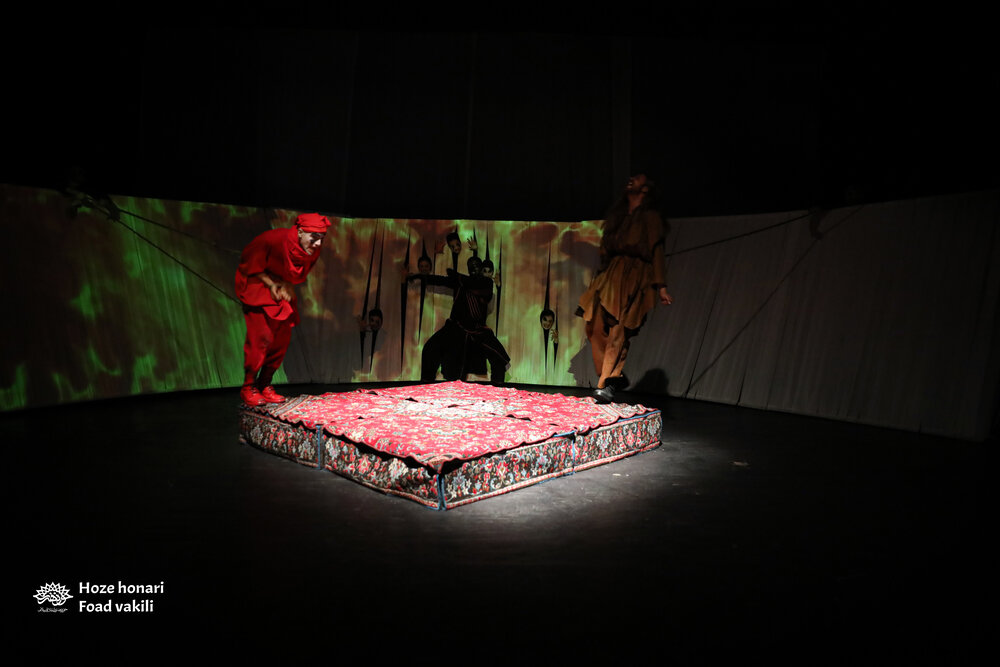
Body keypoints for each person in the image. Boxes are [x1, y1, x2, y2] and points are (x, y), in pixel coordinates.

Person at [576, 174, 672, 403]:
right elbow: (606, 248)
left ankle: (607, 383)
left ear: (646, 189)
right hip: (611, 274)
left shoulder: (650, 217)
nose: (631, 179)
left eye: (637, 179)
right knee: (594, 326)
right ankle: (611, 375)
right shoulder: (618, 216)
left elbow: (657, 251)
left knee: (619, 330)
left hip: (636, 275)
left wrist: (661, 287)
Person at [235, 212, 330, 406]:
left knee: (281, 339)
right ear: (300, 232)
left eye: (322, 238)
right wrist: (271, 284)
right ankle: (248, 387)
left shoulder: (312, 249)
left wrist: (287, 284)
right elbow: (249, 264)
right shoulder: (274, 240)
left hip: (280, 286)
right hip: (257, 283)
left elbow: (296, 273)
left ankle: (264, 384)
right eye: (314, 237)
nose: (318, 243)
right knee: (261, 338)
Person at [406, 256, 509, 383]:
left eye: (476, 265)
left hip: (477, 330)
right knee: (430, 348)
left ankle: (497, 388)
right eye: (471, 266)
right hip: (456, 327)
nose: (474, 268)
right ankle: (426, 384)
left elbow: (473, 284)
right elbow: (440, 280)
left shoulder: (486, 283)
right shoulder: (460, 282)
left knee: (498, 355)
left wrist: (456, 276)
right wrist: (419, 276)